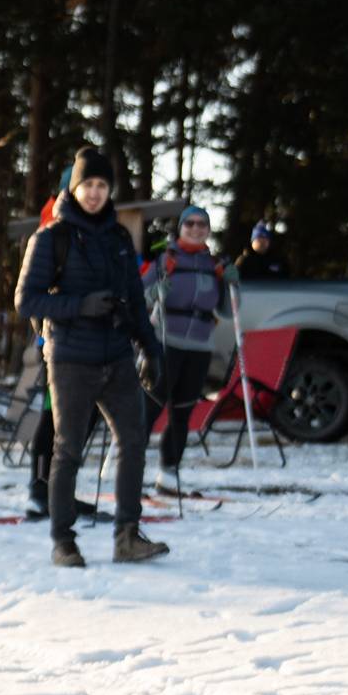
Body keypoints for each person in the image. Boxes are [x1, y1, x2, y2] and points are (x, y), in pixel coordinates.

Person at [16, 147, 168, 568]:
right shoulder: (51, 238)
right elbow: (25, 301)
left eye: (102, 185)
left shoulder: (119, 238)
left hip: (117, 356)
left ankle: (127, 536)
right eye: (88, 185)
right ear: (74, 187)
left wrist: (151, 351)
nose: (96, 193)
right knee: (68, 450)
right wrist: (80, 306)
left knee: (134, 441)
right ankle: (63, 541)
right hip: (70, 359)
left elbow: (136, 302)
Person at [141, 206, 235, 488]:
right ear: (181, 228)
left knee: (183, 410)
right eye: (190, 224)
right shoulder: (166, 260)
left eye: (202, 225)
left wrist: (231, 285)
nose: (196, 229)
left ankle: (169, 471)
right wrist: (154, 293)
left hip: (200, 345)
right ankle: (131, 466)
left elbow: (229, 312)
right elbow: (140, 296)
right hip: (167, 341)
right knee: (152, 406)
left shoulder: (214, 264)